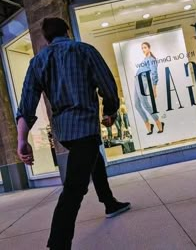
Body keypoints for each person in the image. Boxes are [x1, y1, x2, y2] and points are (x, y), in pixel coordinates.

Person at [16, 17, 131, 250]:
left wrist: (21, 139)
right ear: (67, 31)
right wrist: (110, 111)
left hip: (64, 132)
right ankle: (58, 244)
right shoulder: (84, 50)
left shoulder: (38, 61)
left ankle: (109, 202)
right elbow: (107, 85)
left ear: (47, 38)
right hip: (85, 126)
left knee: (92, 158)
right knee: (74, 189)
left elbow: (26, 104)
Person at [134, 42, 164, 135]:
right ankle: (148, 124)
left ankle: (158, 122)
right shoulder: (145, 59)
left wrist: (154, 89)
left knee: (145, 103)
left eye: (145, 47)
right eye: (142, 48)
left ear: (149, 48)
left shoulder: (152, 59)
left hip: (143, 80)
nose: (143, 50)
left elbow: (155, 74)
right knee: (137, 105)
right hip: (137, 81)